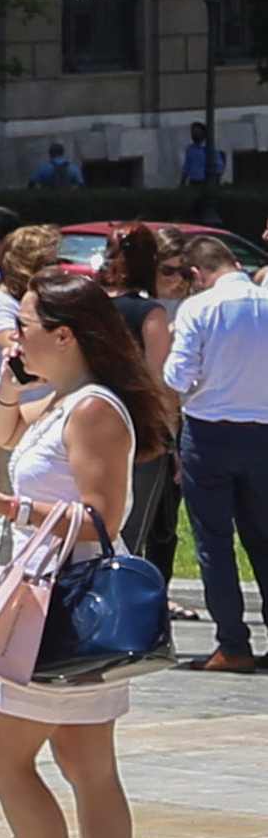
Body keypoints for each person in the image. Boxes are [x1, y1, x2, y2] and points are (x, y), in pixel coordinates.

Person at [0, 274, 164, 838]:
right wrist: (13, 378)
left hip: (62, 605)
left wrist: (8, 508)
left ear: (65, 334)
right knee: (85, 762)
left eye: (26, 324)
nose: (14, 336)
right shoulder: (64, 399)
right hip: (55, 601)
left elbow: (105, 515)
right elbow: (0, 428)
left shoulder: (92, 409)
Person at [160, 223, 268, 670]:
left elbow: (176, 378)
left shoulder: (198, 308)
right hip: (263, 430)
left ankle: (233, 643)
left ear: (196, 272)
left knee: (214, 541)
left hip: (209, 432)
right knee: (263, 539)